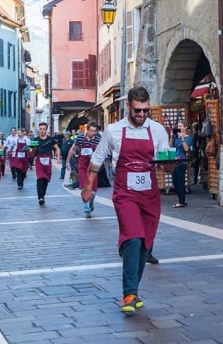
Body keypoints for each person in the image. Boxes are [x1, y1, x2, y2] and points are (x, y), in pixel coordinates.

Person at [81, 86, 171, 314]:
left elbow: (165, 163)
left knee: (144, 244)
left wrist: (173, 163)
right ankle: (128, 294)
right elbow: (97, 159)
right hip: (125, 193)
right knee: (133, 238)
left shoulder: (158, 130)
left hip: (150, 194)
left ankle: (134, 290)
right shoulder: (113, 130)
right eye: (138, 110)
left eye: (145, 110)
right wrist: (88, 187)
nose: (142, 115)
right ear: (128, 106)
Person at [67, 122, 100, 217]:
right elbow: (73, 149)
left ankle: (91, 201)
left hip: (93, 166)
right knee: (84, 186)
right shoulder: (80, 138)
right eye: (91, 131)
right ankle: (86, 208)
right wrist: (68, 162)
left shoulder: (98, 139)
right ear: (87, 130)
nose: (93, 133)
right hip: (82, 165)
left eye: (94, 131)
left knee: (93, 189)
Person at [33, 122, 61, 206]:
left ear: (46, 129)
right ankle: (40, 197)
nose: (42, 131)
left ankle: (43, 195)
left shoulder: (51, 139)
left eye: (44, 129)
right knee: (40, 177)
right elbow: (32, 150)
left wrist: (58, 157)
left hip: (47, 160)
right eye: (40, 129)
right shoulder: (35, 140)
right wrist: (31, 150)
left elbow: (57, 148)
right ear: (39, 129)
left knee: (46, 179)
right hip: (39, 160)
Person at [171, 122, 192, 208]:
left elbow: (186, 148)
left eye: (180, 126)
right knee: (174, 180)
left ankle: (181, 201)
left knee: (180, 181)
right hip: (174, 160)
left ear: (185, 127)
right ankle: (182, 199)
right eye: (178, 126)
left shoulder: (189, 138)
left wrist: (183, 138)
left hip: (182, 161)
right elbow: (170, 145)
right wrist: (172, 137)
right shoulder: (176, 138)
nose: (178, 128)